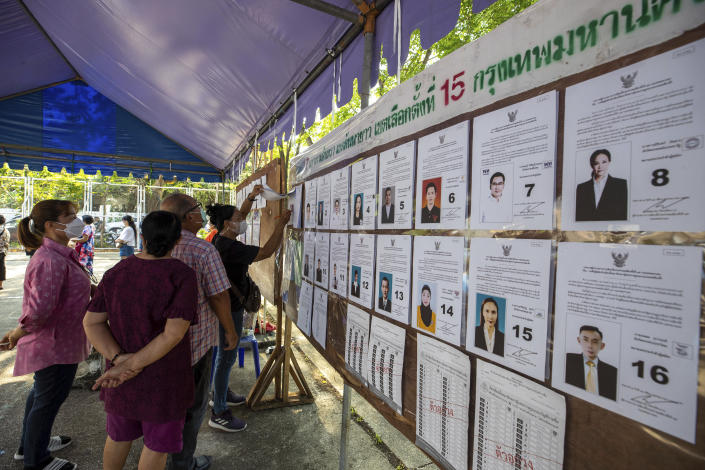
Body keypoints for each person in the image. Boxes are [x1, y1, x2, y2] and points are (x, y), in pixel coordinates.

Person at [83, 210, 198, 470]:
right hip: (164, 380)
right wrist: (129, 364)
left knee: (117, 437)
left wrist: (119, 360)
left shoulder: (117, 271)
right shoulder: (181, 275)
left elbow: (92, 322)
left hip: (120, 377)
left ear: (142, 237)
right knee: (156, 447)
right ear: (177, 240)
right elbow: (173, 334)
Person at [1, 200, 93, 470]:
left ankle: (30, 445)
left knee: (41, 395)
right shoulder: (50, 260)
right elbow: (40, 310)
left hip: (60, 341)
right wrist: (17, 333)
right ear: (52, 225)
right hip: (53, 344)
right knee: (48, 398)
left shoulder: (61, 254)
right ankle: (37, 459)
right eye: (71, 216)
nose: (77, 221)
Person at [160, 193, 238, 470]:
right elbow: (219, 296)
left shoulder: (158, 245)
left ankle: (165, 457)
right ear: (189, 217)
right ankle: (182, 463)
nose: (201, 214)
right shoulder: (203, 249)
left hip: (158, 347)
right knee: (192, 408)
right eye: (197, 210)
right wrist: (229, 330)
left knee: (167, 408)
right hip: (195, 345)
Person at [206, 195, 291, 433]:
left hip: (228, 305)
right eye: (238, 218)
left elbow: (237, 215)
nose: (242, 220)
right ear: (227, 224)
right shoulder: (231, 248)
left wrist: (251, 198)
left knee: (225, 357)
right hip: (229, 308)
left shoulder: (219, 239)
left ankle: (220, 394)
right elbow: (266, 251)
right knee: (226, 357)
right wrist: (281, 224)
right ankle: (219, 411)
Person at [565, 325, 618, 400]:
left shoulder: (612, 372)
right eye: (585, 340)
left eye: (595, 342)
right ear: (579, 340)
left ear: (602, 346)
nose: (590, 345)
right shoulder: (567, 360)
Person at [575, 149, 628, 221]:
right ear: (592, 165)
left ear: (609, 162)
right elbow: (579, 215)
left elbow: (623, 213)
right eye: (596, 163)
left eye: (604, 162)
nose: (600, 166)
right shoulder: (582, 188)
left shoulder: (620, 185)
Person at [0, 214, 9, 289]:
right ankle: (0, 285)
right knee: (1, 268)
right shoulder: (6, 231)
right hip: (2, 252)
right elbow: (7, 242)